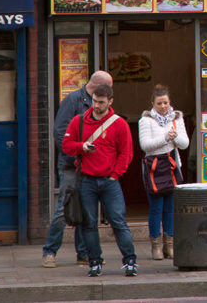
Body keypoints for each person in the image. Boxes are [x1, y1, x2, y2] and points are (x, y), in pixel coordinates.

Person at [61, 83, 137, 277]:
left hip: (109, 181)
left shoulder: (119, 124)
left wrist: (115, 175)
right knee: (89, 224)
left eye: (101, 102)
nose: (96, 105)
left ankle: (130, 261)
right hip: (86, 180)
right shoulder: (79, 121)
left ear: (110, 102)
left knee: (118, 222)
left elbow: (126, 153)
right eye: (94, 101)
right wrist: (82, 147)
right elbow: (66, 145)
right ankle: (94, 262)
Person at [42, 70, 112, 268]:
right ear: (97, 85)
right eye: (108, 87)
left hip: (89, 165)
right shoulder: (73, 100)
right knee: (64, 207)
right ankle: (49, 251)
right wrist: (75, 156)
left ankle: (83, 253)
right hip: (71, 165)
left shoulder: (99, 104)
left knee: (86, 208)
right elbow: (60, 132)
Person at [138, 84, 189, 261]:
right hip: (154, 168)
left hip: (172, 167)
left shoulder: (177, 118)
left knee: (170, 209)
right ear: (152, 103)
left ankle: (169, 245)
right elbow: (145, 145)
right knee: (156, 208)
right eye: (159, 103)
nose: (163, 106)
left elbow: (185, 144)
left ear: (170, 102)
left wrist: (175, 137)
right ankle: (156, 247)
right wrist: (166, 137)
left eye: (165, 102)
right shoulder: (146, 120)